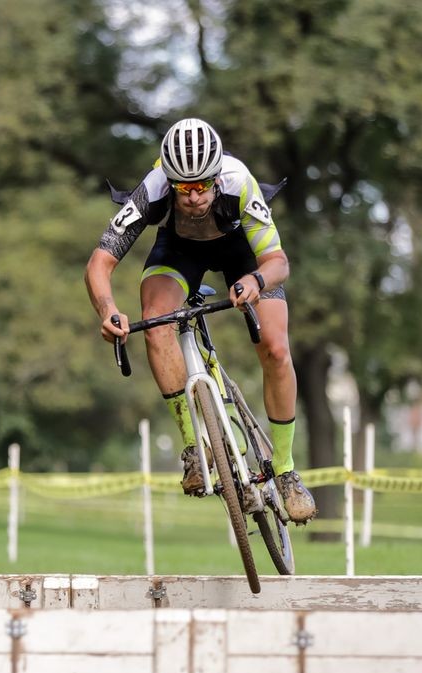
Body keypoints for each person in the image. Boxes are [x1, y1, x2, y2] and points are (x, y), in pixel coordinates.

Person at [83, 117, 317, 522]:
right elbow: (99, 264)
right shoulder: (154, 187)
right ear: (169, 179)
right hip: (179, 250)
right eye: (183, 188)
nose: (192, 197)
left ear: (216, 175)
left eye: (202, 186)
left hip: (242, 251)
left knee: (276, 348)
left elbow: (279, 262)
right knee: (155, 323)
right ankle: (195, 447)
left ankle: (285, 470)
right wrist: (108, 311)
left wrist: (256, 280)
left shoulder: (238, 181)